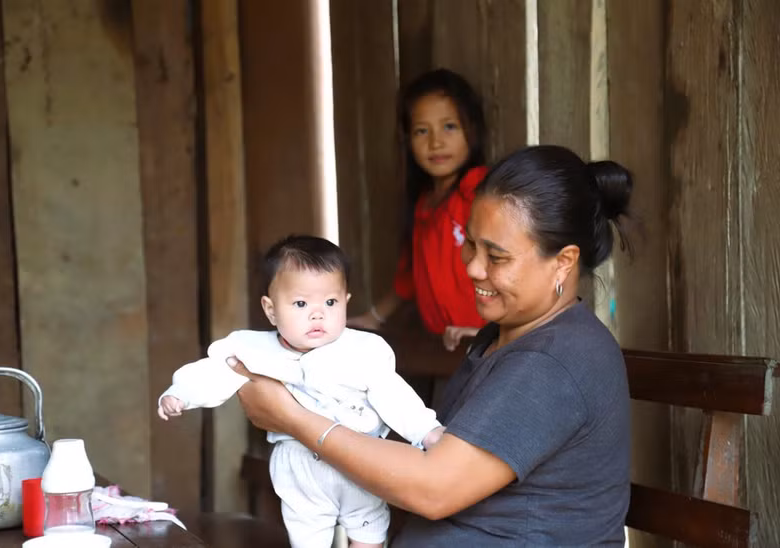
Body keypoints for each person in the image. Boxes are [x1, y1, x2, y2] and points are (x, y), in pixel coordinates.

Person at [229, 145, 635, 546]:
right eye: (471, 244)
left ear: (563, 261)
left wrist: (292, 418)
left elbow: (433, 488)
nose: (473, 267)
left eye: (496, 257)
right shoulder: (505, 337)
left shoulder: (556, 360)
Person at [157, 235, 444, 548]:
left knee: (368, 532)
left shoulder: (363, 351)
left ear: (346, 302)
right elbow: (213, 372)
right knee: (307, 536)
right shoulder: (253, 348)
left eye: (330, 303)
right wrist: (180, 394)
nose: (317, 314)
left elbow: (394, 395)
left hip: (360, 460)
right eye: (301, 304)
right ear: (271, 310)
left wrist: (426, 431)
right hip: (300, 470)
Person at [348, 68, 489, 351]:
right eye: (422, 131)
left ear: (472, 129)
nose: (436, 142)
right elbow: (410, 278)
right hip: (445, 350)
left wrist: (492, 332)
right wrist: (374, 318)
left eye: (450, 126)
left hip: (487, 346)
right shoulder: (424, 203)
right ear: (407, 140)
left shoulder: (480, 190)